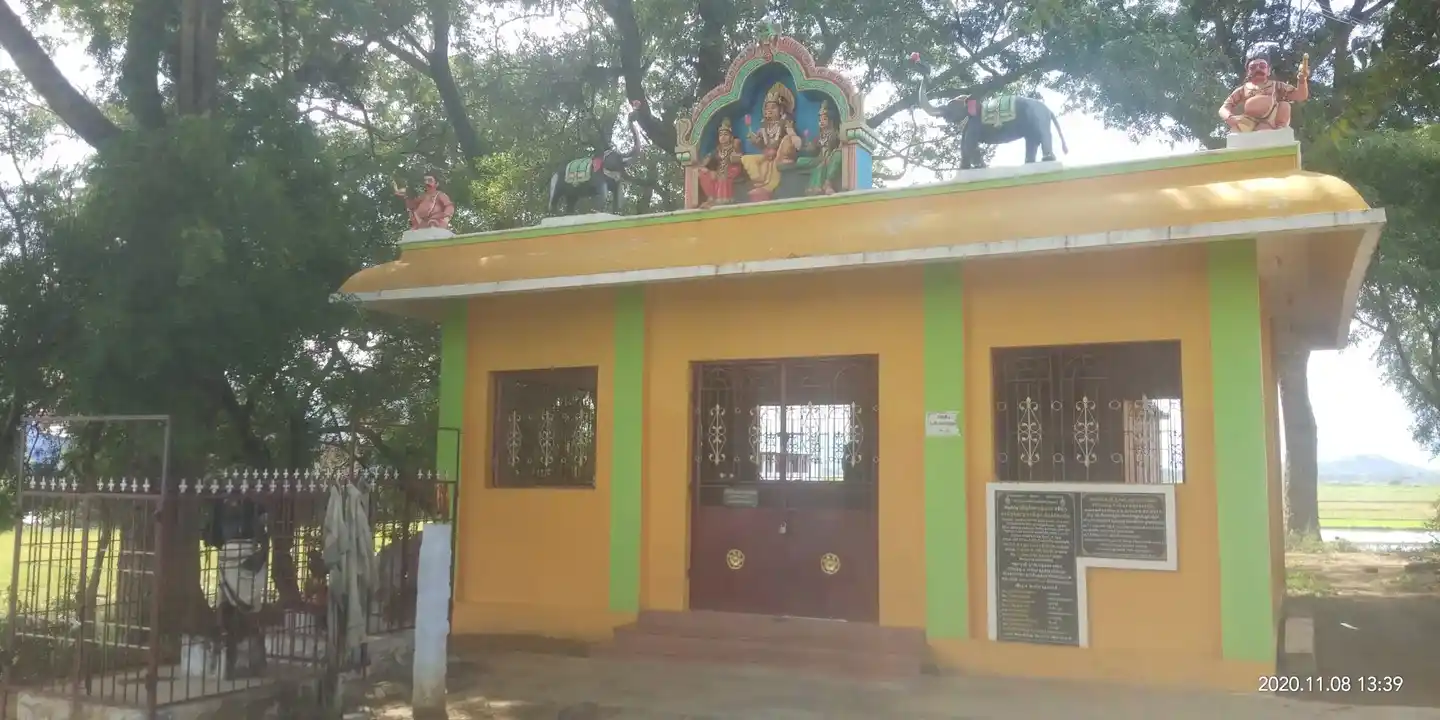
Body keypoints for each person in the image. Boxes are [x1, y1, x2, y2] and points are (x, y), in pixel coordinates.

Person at [740, 83, 802, 201]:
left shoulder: (786, 122)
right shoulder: (764, 125)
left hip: (779, 154)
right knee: (746, 159)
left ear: (781, 109)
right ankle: (758, 182)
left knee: (785, 141)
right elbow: (760, 143)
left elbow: (791, 135)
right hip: (766, 155)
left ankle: (767, 188)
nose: (769, 111)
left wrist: (795, 139)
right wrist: (753, 139)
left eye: (773, 108)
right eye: (767, 108)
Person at [1219, 55, 1309, 133]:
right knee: (1235, 131)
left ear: (1268, 71)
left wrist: (1302, 80)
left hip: (1272, 123)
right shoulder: (1242, 90)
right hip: (1249, 123)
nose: (1258, 69)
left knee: (1284, 105)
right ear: (1248, 72)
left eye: (1262, 66)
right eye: (1253, 67)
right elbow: (1223, 108)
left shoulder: (1277, 85)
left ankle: (1280, 131)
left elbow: (1300, 95)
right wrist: (1230, 118)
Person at [698, 117, 745, 208]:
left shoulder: (734, 146)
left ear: (731, 137)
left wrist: (734, 155)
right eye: (721, 135)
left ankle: (723, 200)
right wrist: (706, 169)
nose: (723, 137)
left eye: (726, 135)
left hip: (733, 169)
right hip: (720, 169)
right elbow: (706, 162)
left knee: (723, 174)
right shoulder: (717, 150)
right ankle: (711, 198)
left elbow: (740, 158)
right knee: (704, 174)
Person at [805, 103, 844, 196]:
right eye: (820, 120)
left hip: (829, 157)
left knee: (820, 167)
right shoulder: (820, 136)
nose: (821, 122)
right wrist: (809, 145)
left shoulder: (834, 133)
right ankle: (813, 189)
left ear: (831, 121)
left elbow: (843, 142)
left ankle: (823, 186)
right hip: (820, 158)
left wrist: (832, 154)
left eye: (824, 119)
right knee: (800, 161)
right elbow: (813, 149)